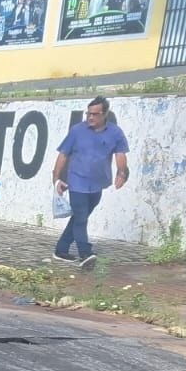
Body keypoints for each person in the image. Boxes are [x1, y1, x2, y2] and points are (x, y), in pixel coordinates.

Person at [52, 96, 129, 268]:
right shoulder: (77, 131)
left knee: (81, 217)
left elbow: (121, 155)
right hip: (77, 181)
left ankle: (61, 249)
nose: (91, 117)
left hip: (98, 184)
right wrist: (56, 178)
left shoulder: (115, 133)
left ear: (105, 114)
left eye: (95, 114)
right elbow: (63, 154)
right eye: (88, 114)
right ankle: (85, 253)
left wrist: (122, 172)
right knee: (81, 217)